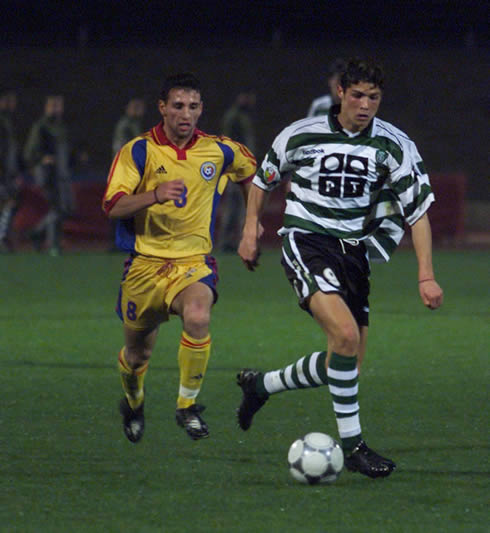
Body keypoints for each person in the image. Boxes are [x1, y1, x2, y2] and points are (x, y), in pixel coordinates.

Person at [236, 58, 443, 479]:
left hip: (354, 254)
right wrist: (250, 230)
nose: (366, 105)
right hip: (306, 240)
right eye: (358, 96)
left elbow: (417, 212)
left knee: (346, 361)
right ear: (340, 94)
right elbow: (262, 180)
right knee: (345, 337)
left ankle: (260, 386)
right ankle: (354, 448)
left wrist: (426, 273)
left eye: (374, 97)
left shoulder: (394, 144)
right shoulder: (301, 133)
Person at [102, 73, 257, 443]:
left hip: (193, 263)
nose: (185, 114)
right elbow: (112, 206)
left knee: (199, 316)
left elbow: (257, 177)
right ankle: (134, 404)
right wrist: (154, 194)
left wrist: (251, 227)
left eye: (193, 106)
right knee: (138, 355)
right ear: (162, 108)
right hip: (144, 265)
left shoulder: (220, 150)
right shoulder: (138, 151)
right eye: (177, 106)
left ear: (201, 109)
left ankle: (187, 407)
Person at [23, 95, 73, 255]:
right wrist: (43, 158)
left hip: (62, 174)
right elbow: (30, 152)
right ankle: (53, 244)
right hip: (48, 174)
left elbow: (65, 150)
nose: (56, 109)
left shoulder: (61, 126)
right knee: (58, 208)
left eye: (58, 106)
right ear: (47, 107)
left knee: (66, 208)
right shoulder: (41, 126)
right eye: (53, 106)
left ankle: (37, 233)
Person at [217, 90, 257, 252]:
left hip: (244, 166)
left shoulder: (241, 116)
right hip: (235, 167)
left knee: (240, 205)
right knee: (235, 205)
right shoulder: (234, 116)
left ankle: (235, 240)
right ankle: (227, 241)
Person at [109, 98, 146, 251]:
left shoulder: (133, 124)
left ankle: (123, 241)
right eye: (135, 107)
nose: (139, 111)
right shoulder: (126, 125)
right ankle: (117, 242)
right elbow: (124, 148)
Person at [0, 89, 20, 252]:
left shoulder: (8, 122)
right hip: (3, 173)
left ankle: (3, 238)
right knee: (8, 203)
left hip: (7, 173)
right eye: (9, 101)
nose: (12, 105)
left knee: (9, 204)